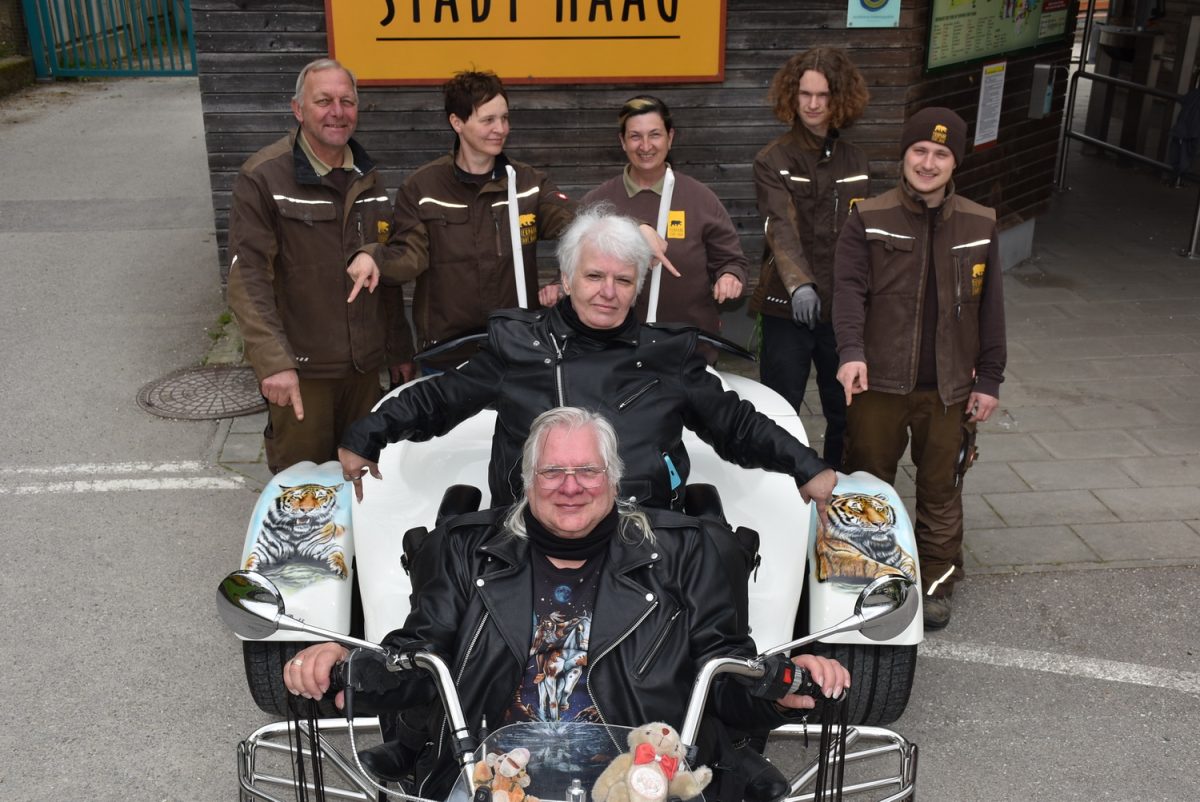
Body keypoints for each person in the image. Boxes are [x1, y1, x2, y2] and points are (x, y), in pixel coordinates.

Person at [287, 407, 850, 799]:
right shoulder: (466, 550)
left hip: (638, 781)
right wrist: (345, 666)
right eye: (553, 470)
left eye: (587, 470)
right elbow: (417, 657)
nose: (570, 485)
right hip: (492, 781)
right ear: (527, 480)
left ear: (614, 478)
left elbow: (724, 676)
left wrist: (782, 684)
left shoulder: (683, 554)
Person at [339, 206, 836, 517]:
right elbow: (438, 399)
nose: (608, 292)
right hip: (528, 531)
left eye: (623, 281)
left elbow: (735, 423)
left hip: (646, 531)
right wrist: (366, 437)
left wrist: (806, 466)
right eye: (595, 276)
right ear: (568, 277)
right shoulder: (518, 346)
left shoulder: (668, 354)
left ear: (638, 286)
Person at [833, 107, 1006, 630]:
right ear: (904, 155)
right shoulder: (868, 216)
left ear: (954, 163)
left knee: (941, 490)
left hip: (950, 390)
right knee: (867, 486)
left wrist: (990, 378)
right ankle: (868, 579)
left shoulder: (980, 222)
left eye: (941, 153)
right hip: (879, 383)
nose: (928, 163)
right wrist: (850, 352)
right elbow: (847, 294)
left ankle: (935, 585)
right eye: (919, 151)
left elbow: (991, 307)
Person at [226, 57, 414, 474]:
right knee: (301, 492)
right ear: (298, 110)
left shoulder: (369, 176)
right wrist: (273, 361)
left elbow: (381, 274)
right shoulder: (263, 178)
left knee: (367, 487)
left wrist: (399, 350)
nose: (337, 112)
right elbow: (247, 278)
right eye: (324, 100)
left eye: (347, 101)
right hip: (302, 376)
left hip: (364, 374)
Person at [350, 69, 576, 372]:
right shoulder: (423, 187)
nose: (501, 129)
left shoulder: (528, 183)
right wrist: (373, 256)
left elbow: (576, 224)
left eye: (505, 118)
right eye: (488, 120)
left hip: (518, 350)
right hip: (446, 356)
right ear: (457, 122)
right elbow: (408, 255)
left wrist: (627, 230)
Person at [749, 48, 871, 468]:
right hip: (788, 307)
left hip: (842, 311)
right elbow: (779, 225)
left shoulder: (857, 161)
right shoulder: (773, 159)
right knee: (781, 406)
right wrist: (800, 283)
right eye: (805, 94)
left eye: (823, 94)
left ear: (840, 99)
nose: (813, 104)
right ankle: (784, 484)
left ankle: (841, 486)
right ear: (792, 95)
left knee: (848, 410)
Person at [557, 95, 748, 364]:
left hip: (689, 349)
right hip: (612, 353)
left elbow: (730, 259)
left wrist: (730, 275)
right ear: (622, 141)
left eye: (655, 135)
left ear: (670, 137)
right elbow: (573, 265)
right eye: (635, 136)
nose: (645, 146)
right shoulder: (599, 202)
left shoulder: (699, 198)